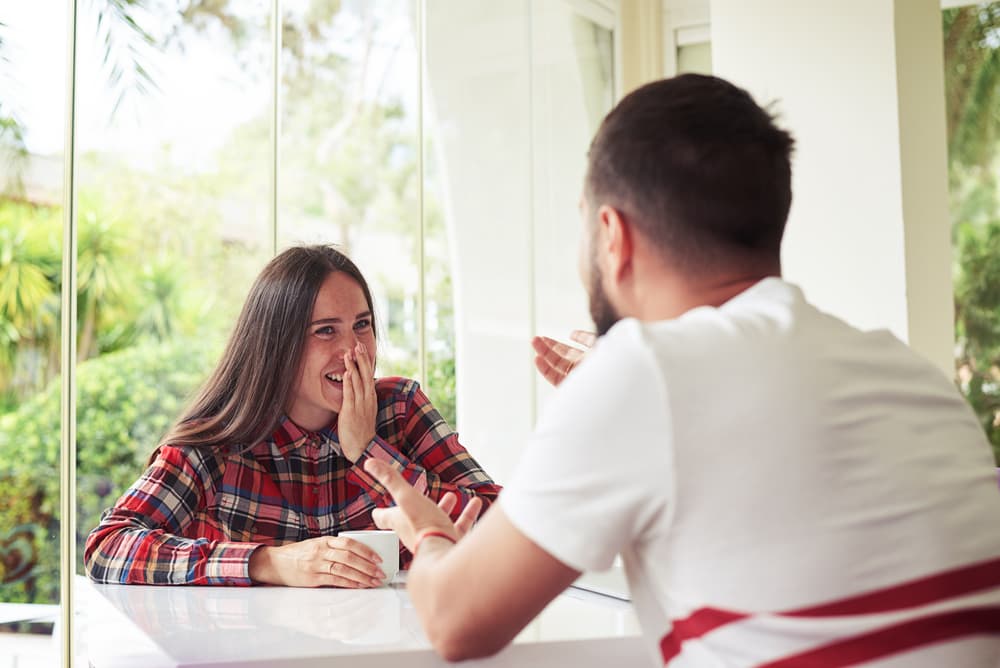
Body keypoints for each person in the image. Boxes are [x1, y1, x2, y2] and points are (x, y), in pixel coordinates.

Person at [361, 74, 1000, 666]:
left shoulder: (644, 376)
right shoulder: (916, 378)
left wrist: (429, 531)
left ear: (612, 235)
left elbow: (453, 621)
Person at [84, 245, 500, 588]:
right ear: (277, 345)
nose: (354, 350)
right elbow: (108, 546)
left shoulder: (401, 409)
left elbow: (503, 527)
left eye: (363, 325)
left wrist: (369, 452)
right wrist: (270, 563)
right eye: (326, 331)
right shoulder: (216, 447)